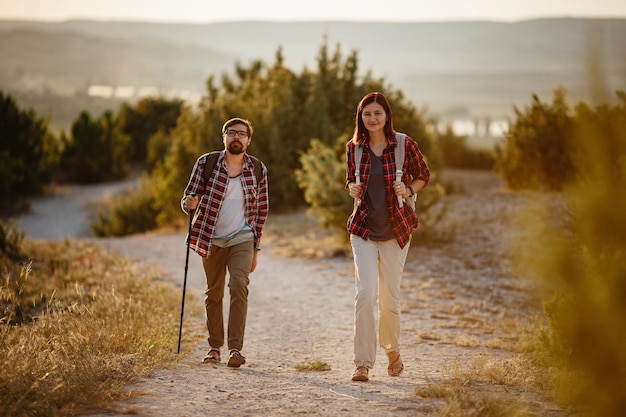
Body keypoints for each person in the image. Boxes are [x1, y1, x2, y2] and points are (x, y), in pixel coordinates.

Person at [345, 92, 430, 382]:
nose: (372, 119)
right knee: (365, 294)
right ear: (361, 117)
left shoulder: (404, 144)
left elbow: (423, 174)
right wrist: (351, 188)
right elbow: (350, 178)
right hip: (363, 230)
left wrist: (409, 190)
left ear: (386, 116)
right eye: (366, 114)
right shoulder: (354, 148)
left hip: (396, 230)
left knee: (389, 298)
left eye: (377, 113)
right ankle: (363, 363)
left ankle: (393, 351)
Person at [181, 117, 269, 368]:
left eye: (242, 133)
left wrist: (255, 248)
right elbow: (189, 195)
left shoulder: (258, 169)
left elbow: (261, 212)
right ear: (224, 137)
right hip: (210, 237)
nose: (237, 137)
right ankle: (214, 347)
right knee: (214, 292)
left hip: (242, 237)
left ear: (249, 140)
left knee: (239, 284)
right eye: (232, 133)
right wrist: (189, 203)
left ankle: (235, 349)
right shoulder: (206, 163)